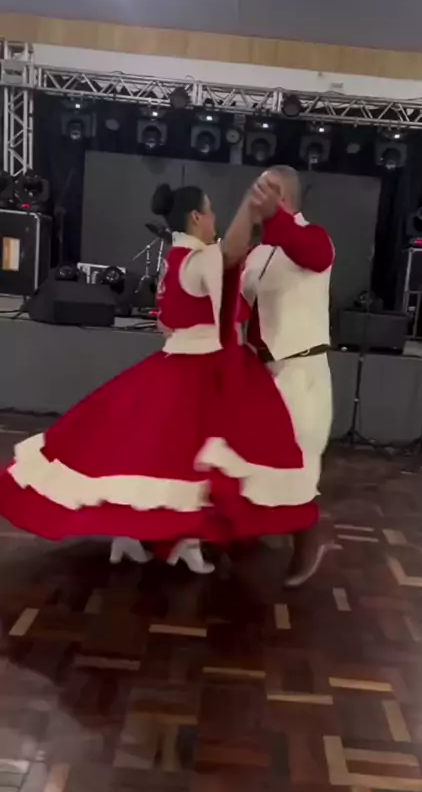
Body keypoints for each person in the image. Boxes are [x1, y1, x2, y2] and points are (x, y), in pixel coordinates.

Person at [0, 178, 318, 571]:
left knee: (155, 459)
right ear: (197, 217)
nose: (214, 219)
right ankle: (181, 540)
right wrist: (249, 211)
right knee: (192, 462)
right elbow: (231, 254)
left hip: (174, 363)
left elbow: (168, 322)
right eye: (210, 212)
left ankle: (138, 538)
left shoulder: (174, 260)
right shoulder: (199, 260)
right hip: (198, 370)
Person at [242, 165, 335, 587]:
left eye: (269, 189)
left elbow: (309, 253)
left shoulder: (314, 237)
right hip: (260, 370)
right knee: (250, 455)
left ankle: (309, 541)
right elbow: (240, 304)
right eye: (257, 188)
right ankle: (247, 530)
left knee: (299, 461)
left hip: (301, 368)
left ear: (286, 198)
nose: (258, 195)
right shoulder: (257, 254)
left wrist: (274, 219)